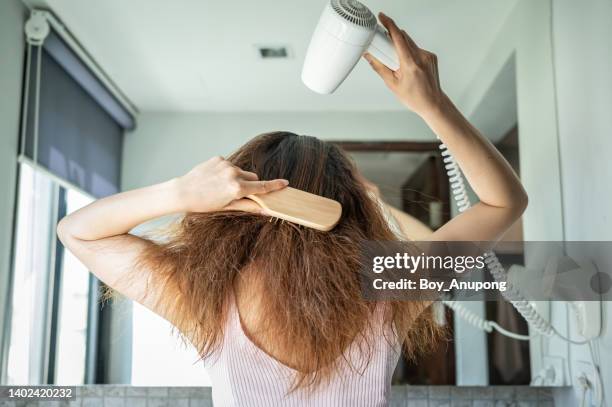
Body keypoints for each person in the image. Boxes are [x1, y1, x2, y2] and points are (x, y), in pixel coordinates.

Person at [57, 13, 527, 406]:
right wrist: (435, 105)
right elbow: (505, 201)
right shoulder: (388, 286)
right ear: (349, 204)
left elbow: (77, 232)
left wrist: (178, 194)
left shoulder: (202, 297)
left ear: (234, 210)